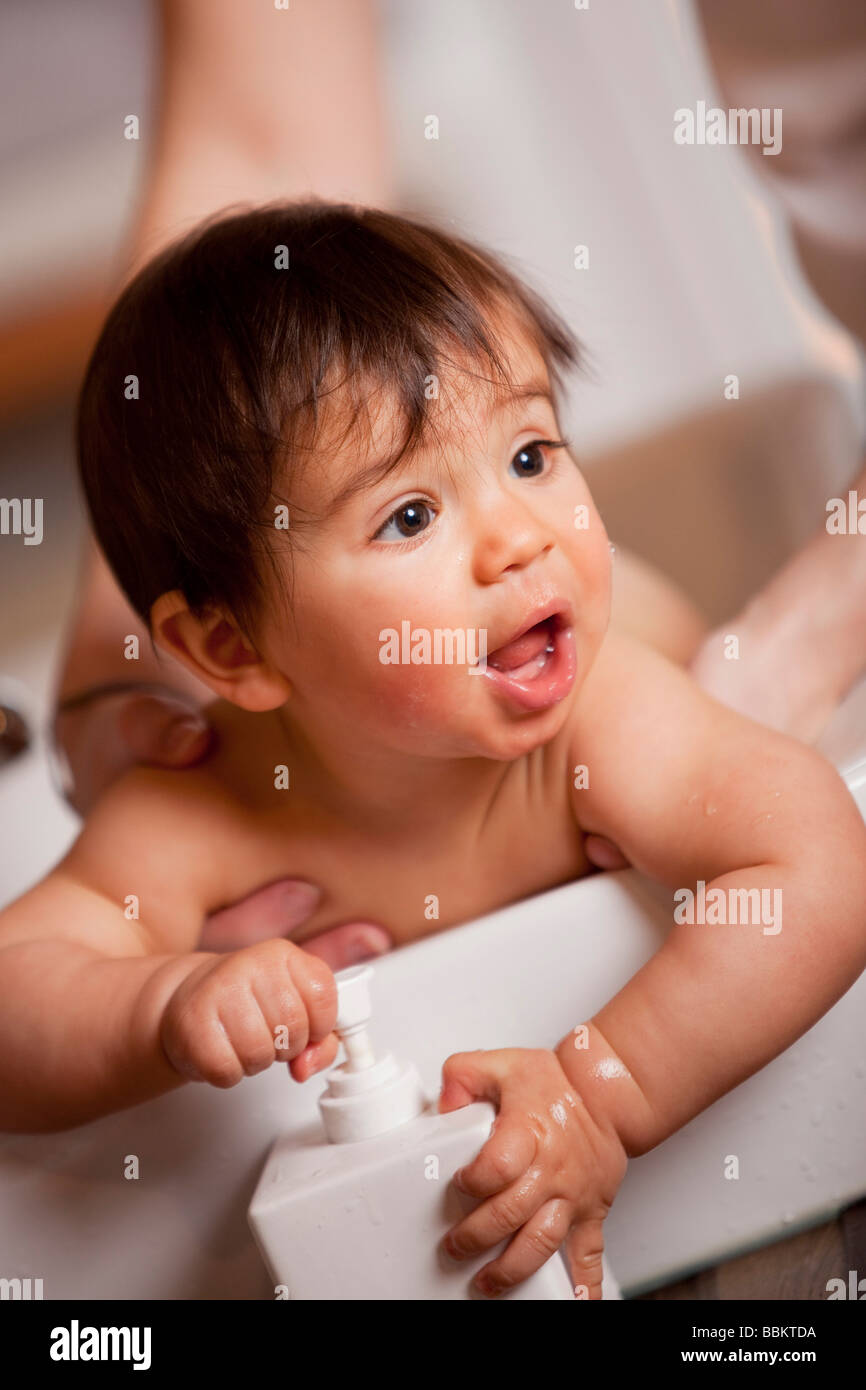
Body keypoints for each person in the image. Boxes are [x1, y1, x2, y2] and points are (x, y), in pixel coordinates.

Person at [6, 202, 866, 1304]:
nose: (520, 536)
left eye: (529, 452)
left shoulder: (595, 717)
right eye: (409, 517)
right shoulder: (206, 809)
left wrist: (599, 1091)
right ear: (228, 646)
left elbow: (817, 861)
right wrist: (160, 1007)